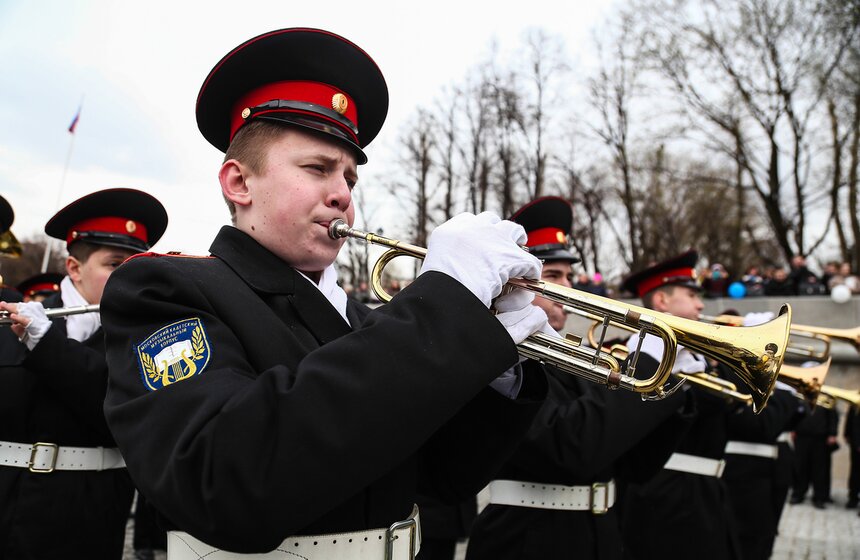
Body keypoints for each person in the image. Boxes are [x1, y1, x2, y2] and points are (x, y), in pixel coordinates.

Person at [99, 28, 552, 559]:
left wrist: (486, 362)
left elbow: (440, 477)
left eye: (350, 178)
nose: (342, 193)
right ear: (239, 184)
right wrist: (442, 310)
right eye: (317, 168)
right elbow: (221, 480)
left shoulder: (361, 319)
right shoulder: (168, 289)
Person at [464, 197, 694, 560]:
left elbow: (635, 464)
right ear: (511, 283)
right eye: (553, 276)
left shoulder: (577, 357)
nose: (568, 290)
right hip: (526, 539)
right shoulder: (497, 356)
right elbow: (568, 448)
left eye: (569, 276)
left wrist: (672, 385)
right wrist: (647, 363)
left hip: (599, 533)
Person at [0, 188, 168, 559]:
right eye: (114, 265)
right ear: (74, 267)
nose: (129, 279)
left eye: (135, 267)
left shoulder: (148, 336)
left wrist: (46, 345)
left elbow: (122, 410)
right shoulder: (8, 318)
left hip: (90, 519)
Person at [618, 250, 745, 560]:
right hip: (666, 495)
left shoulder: (696, 358)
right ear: (661, 301)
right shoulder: (645, 359)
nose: (701, 304)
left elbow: (736, 405)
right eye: (691, 295)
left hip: (705, 491)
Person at [790, 392, 840, 509]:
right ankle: (798, 493)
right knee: (800, 466)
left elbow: (833, 416)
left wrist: (832, 434)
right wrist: (792, 429)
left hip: (820, 439)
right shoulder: (801, 397)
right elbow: (794, 413)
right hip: (802, 437)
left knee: (820, 469)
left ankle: (819, 497)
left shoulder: (827, 398)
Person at [846, 404, 860, 509]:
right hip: (856, 445)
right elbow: (851, 421)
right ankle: (853, 498)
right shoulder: (855, 402)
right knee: (855, 472)